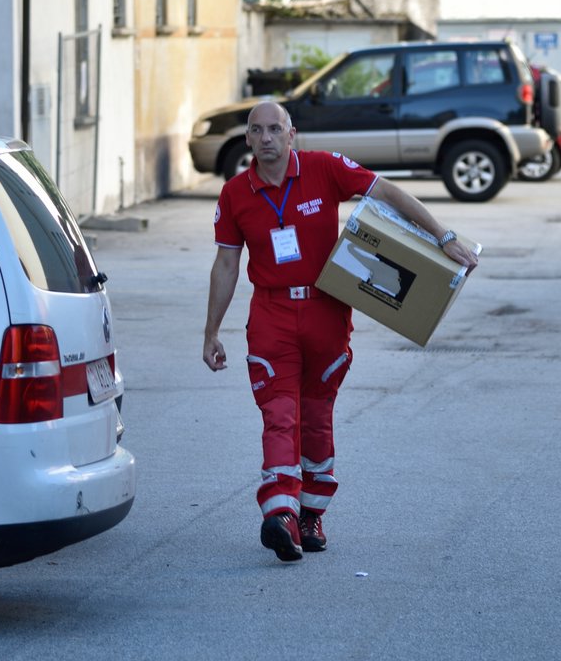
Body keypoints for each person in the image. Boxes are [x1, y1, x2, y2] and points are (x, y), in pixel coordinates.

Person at [203, 101, 478, 562]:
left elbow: (386, 192)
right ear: (247, 139)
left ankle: (311, 513)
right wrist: (211, 331)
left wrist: (443, 237)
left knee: (315, 414)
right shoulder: (234, 194)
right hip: (271, 316)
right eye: (257, 130)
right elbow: (227, 264)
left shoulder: (324, 170)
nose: (266, 137)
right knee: (279, 411)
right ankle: (281, 513)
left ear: (293, 134)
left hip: (326, 311)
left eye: (276, 129)